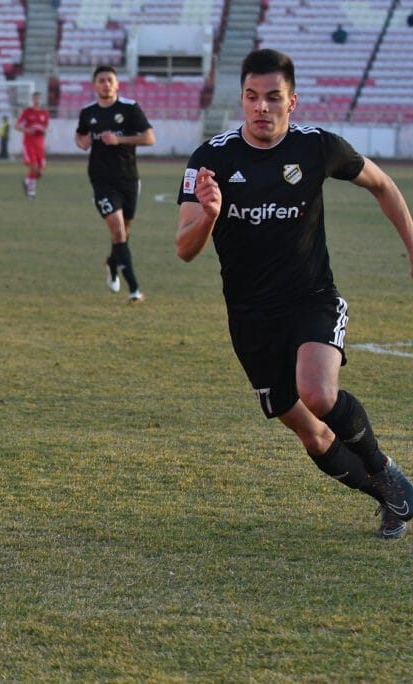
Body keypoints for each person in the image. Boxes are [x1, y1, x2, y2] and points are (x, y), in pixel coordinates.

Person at [176, 48, 413, 540]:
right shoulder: (210, 159)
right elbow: (183, 248)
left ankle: (386, 470)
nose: (261, 107)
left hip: (311, 298)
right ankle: (392, 498)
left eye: (273, 97)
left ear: (292, 101)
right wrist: (210, 216)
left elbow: (384, 185)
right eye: (251, 97)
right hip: (249, 320)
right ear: (241, 99)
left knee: (318, 392)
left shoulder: (317, 147)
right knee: (313, 435)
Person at [74, 65, 154, 303]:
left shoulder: (129, 108)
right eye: (101, 80)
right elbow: (79, 135)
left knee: (124, 232)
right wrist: (82, 142)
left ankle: (111, 262)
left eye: (110, 80)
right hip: (101, 180)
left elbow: (149, 137)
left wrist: (119, 139)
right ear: (95, 85)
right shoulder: (88, 112)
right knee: (118, 230)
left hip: (128, 178)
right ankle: (135, 288)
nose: (106, 84)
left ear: (117, 84)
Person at [15, 91, 49, 198]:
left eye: (39, 98)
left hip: (40, 145)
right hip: (29, 144)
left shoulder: (44, 113)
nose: (37, 100)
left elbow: (47, 127)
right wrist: (26, 130)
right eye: (35, 98)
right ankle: (31, 192)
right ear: (32, 100)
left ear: (41, 100)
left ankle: (27, 181)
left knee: (40, 172)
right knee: (34, 167)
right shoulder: (27, 112)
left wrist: (44, 130)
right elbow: (16, 126)